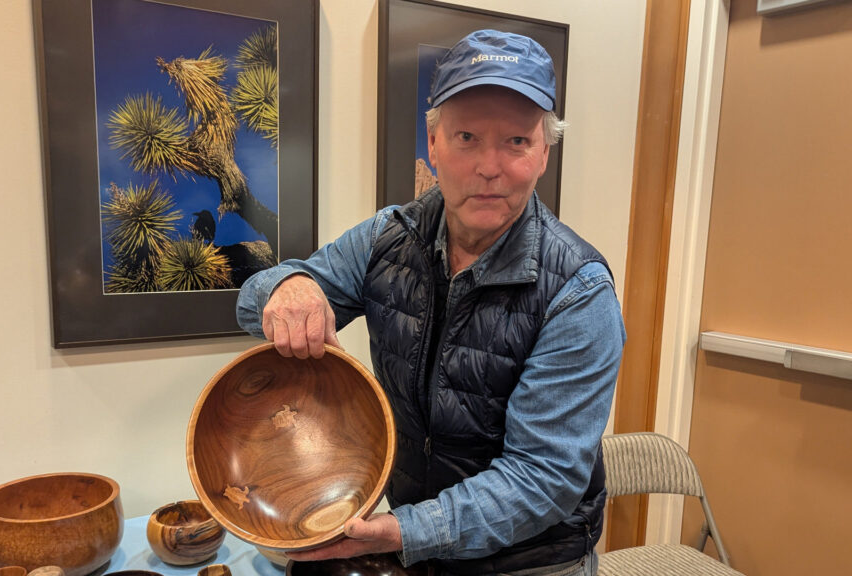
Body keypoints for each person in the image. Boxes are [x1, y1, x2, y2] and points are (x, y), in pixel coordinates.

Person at [236, 29, 625, 576]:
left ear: (544, 153)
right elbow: (253, 304)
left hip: (530, 561)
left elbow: (544, 478)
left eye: (516, 141)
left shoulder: (579, 293)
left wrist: (405, 532)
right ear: (434, 143)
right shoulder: (387, 238)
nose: (489, 166)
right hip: (415, 545)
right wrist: (286, 286)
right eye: (467, 137)